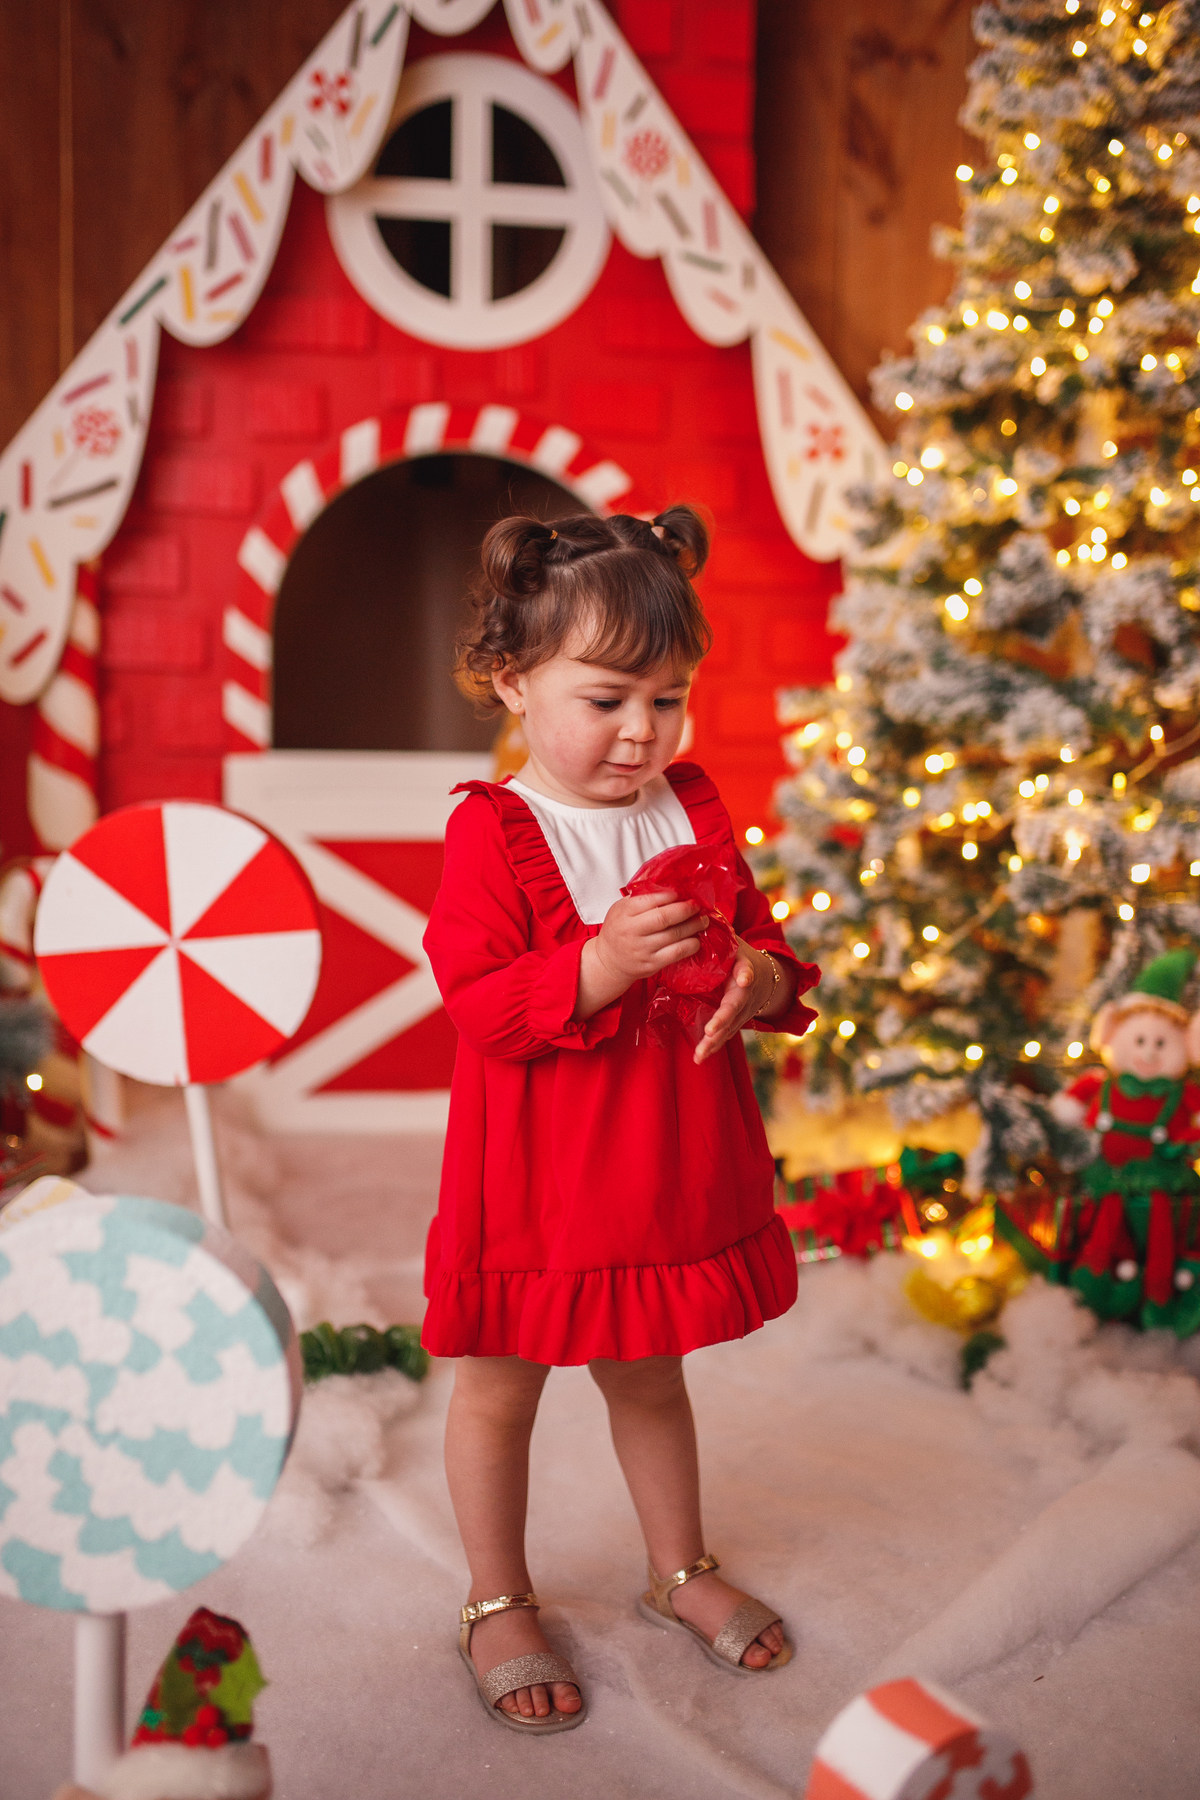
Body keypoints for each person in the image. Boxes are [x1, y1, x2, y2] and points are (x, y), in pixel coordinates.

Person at [422, 507, 819, 1734]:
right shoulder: (496, 828)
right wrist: (596, 963)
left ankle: (678, 1570)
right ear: (513, 683)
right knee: (505, 1381)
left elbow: (760, 945)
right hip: (540, 1170)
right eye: (606, 700)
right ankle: (497, 1596)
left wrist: (760, 976)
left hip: (665, 1156)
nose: (642, 730)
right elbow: (482, 1002)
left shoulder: (689, 806)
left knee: (649, 1370)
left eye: (669, 697)